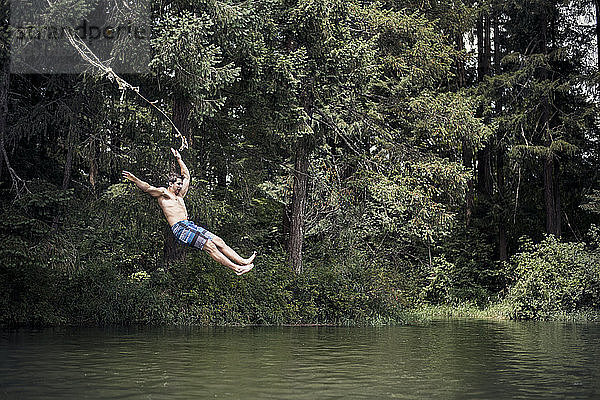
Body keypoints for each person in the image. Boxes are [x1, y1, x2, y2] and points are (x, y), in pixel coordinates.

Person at [122, 148, 255, 275]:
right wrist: (135, 180)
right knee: (209, 246)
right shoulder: (163, 194)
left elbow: (187, 176)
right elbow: (147, 188)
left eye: (181, 184)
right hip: (180, 228)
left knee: (218, 241)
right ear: (170, 184)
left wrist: (179, 158)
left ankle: (242, 261)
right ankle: (236, 268)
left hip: (189, 225)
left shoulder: (180, 196)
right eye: (178, 184)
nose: (180, 186)